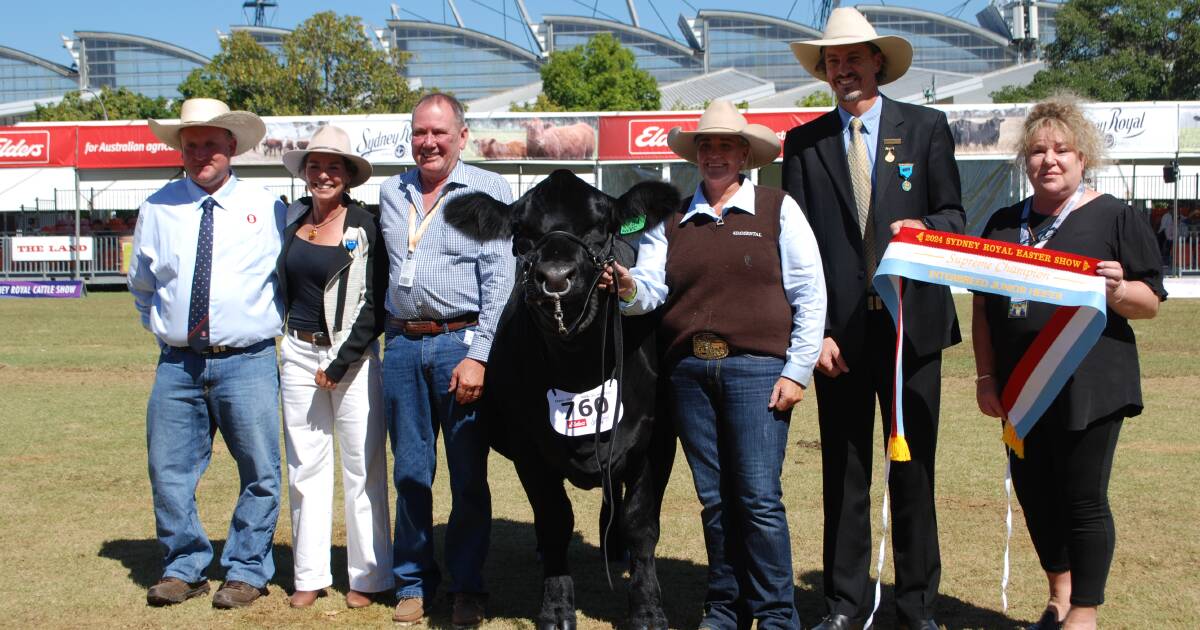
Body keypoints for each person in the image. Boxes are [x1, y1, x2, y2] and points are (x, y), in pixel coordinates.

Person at [602, 100, 826, 630]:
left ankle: (775, 616)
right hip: (689, 375)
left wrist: (797, 371)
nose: (715, 154)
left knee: (758, 499)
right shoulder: (671, 219)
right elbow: (652, 290)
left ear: (745, 153)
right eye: (707, 145)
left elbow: (810, 294)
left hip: (757, 372)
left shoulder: (778, 208)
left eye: (726, 144)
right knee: (715, 501)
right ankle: (725, 609)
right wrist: (630, 286)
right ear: (696, 155)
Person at [781, 9, 965, 629]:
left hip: (913, 331)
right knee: (845, 474)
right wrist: (815, 336)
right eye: (833, 61)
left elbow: (954, 216)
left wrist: (927, 230)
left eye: (853, 58)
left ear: (877, 62)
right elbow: (797, 250)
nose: (843, 69)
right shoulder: (802, 145)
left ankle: (918, 606)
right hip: (840, 340)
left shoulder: (927, 128)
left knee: (913, 473)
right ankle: (843, 603)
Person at [973, 97, 1165, 630]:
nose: (1049, 160)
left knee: (1083, 497)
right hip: (1019, 388)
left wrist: (1118, 288)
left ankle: (1085, 611)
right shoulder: (1003, 224)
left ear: (1083, 158)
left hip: (1092, 385)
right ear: (1025, 161)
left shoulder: (1114, 215)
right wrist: (987, 377)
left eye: (1061, 149)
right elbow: (984, 310)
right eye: (1037, 151)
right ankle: (1059, 595)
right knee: (1036, 494)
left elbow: (1149, 302)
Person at [128, 98, 286, 609]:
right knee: (168, 469)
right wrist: (168, 334)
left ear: (231, 147)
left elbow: (285, 280)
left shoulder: (269, 207)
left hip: (249, 361)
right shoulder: (157, 207)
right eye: (190, 145)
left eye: (210, 145)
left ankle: (245, 569)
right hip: (178, 364)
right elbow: (143, 286)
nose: (200, 154)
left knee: (260, 470)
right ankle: (184, 566)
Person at [379, 93, 515, 626]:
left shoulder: (488, 190)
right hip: (403, 346)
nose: (428, 142)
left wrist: (480, 356)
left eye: (439, 132)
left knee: (466, 475)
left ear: (462, 136)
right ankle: (412, 581)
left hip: (460, 344)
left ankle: (467, 586)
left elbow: (500, 282)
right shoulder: (392, 192)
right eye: (419, 133)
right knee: (410, 472)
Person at [277, 125, 393, 609]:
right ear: (305, 173)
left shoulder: (364, 225)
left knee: (362, 469)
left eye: (334, 167)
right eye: (316, 166)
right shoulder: (292, 221)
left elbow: (375, 302)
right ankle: (309, 573)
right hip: (297, 354)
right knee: (305, 466)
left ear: (348, 176)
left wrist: (342, 360)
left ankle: (368, 577)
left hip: (351, 358)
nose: (324, 175)